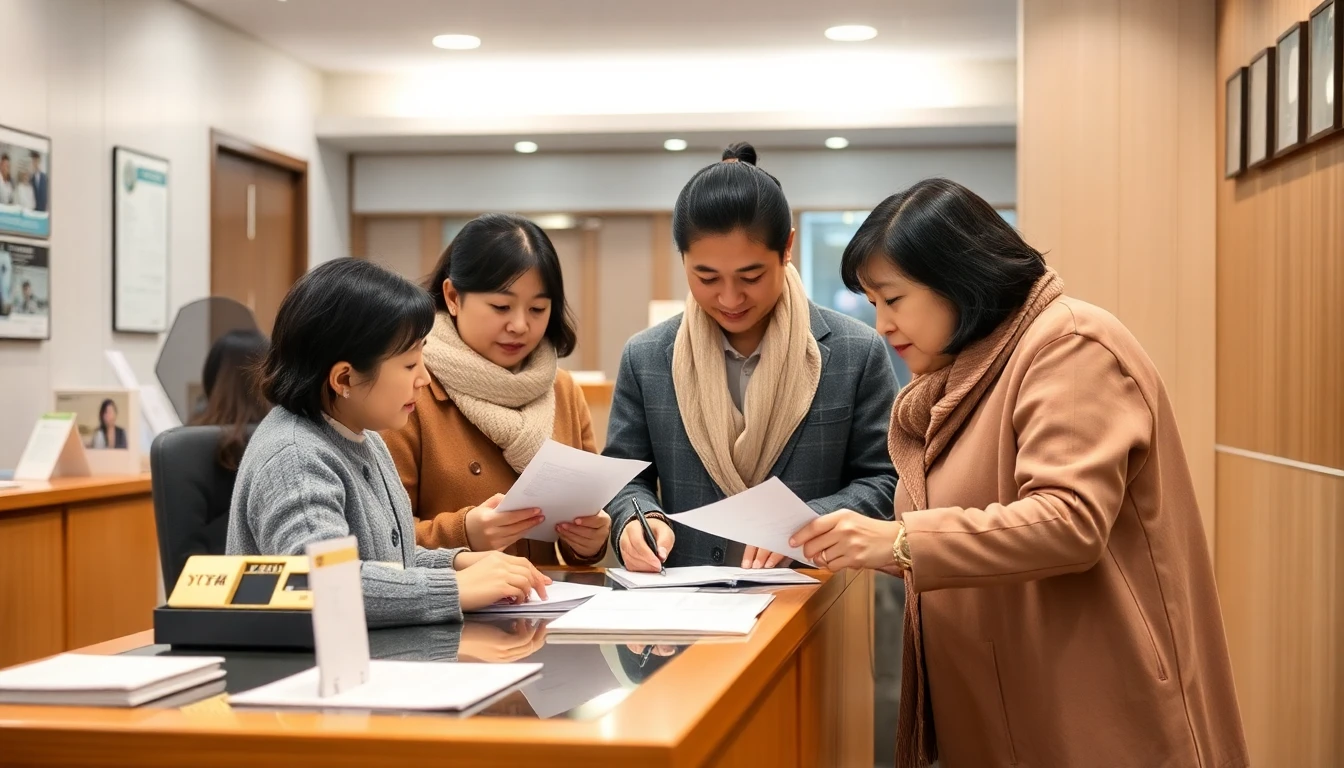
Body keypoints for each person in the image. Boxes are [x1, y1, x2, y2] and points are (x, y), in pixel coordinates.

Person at [789, 179, 1248, 768]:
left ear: (957, 278)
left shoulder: (1070, 345)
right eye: (873, 304)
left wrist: (901, 540)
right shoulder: (965, 377)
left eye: (893, 300)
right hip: (1010, 707)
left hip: (1094, 706)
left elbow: (1068, 521)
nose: (881, 325)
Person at [604, 142, 899, 571]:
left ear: (787, 248)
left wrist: (812, 521)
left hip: (812, 603)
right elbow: (626, 478)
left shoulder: (855, 352)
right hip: (686, 609)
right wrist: (637, 518)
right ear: (683, 258)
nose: (729, 298)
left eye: (751, 276)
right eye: (706, 277)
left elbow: (888, 480)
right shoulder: (647, 357)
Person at [225, 258, 552, 627]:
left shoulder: (364, 436)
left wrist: (456, 561)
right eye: (410, 365)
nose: (424, 379)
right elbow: (324, 584)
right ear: (344, 378)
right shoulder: (295, 457)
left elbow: (385, 560)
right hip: (305, 677)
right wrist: (453, 587)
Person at [383, 213, 610, 565]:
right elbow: (382, 534)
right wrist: (463, 533)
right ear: (453, 296)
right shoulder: (414, 387)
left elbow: (581, 533)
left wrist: (589, 539)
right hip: (455, 607)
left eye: (538, 308)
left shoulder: (562, 389)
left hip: (543, 606)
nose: (520, 325)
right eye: (501, 306)